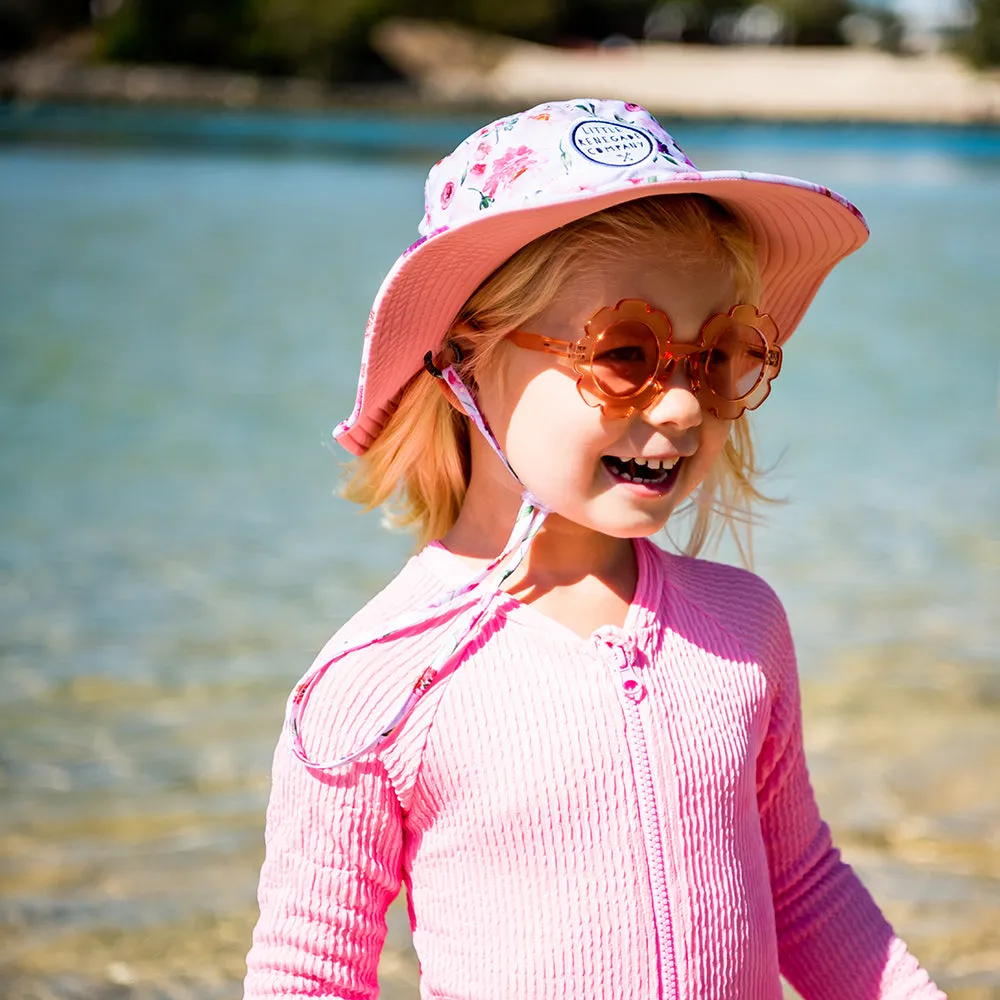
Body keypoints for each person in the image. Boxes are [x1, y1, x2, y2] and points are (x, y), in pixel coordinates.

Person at [244, 99, 945, 999]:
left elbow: (802, 885)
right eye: (626, 353)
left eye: (716, 357)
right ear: (464, 361)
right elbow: (310, 971)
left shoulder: (741, 626)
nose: (685, 407)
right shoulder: (375, 685)